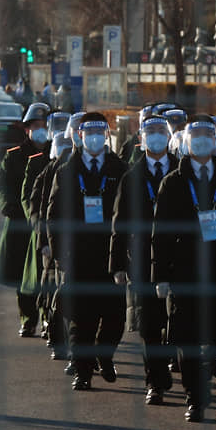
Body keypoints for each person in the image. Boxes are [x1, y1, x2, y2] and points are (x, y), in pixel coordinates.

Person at [151, 114, 216, 422]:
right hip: (185, 271)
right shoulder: (173, 182)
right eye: (196, 134)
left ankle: (211, 358)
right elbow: (160, 233)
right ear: (186, 142)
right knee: (186, 336)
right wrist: (161, 275)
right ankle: (194, 397)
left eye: (208, 134)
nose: (202, 139)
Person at [47, 112, 128, 391]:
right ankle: (83, 372)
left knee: (115, 317)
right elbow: (54, 214)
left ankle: (104, 354)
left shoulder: (119, 168)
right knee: (81, 319)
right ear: (79, 135)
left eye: (99, 132)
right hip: (78, 255)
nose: (94, 137)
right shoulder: (67, 171)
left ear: (106, 135)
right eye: (88, 132)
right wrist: (59, 255)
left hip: (111, 254)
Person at [110, 115, 178, 405]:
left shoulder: (182, 171)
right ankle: (156, 382)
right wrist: (117, 265)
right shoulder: (132, 176)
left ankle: (179, 367)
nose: (156, 136)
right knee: (150, 326)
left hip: (178, 259)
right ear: (142, 138)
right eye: (150, 131)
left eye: (161, 131)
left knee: (178, 324)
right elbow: (119, 222)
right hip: (141, 260)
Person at [0, 102, 51, 337]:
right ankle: (28, 319)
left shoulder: (57, 153)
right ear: (27, 129)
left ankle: (49, 319)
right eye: (35, 125)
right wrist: (9, 206)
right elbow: (2, 183)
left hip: (47, 223)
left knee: (48, 272)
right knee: (21, 275)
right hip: (19, 223)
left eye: (44, 125)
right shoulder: (14, 156)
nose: (40, 129)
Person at [33, 112, 84, 365]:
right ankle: (57, 340)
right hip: (53, 246)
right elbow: (42, 209)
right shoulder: (53, 170)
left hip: (79, 247)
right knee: (54, 293)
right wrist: (44, 241)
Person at [20, 111, 71, 340]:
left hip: (69, 238)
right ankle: (36, 320)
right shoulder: (39, 163)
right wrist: (36, 226)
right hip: (41, 233)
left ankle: (50, 322)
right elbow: (30, 198)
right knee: (37, 280)